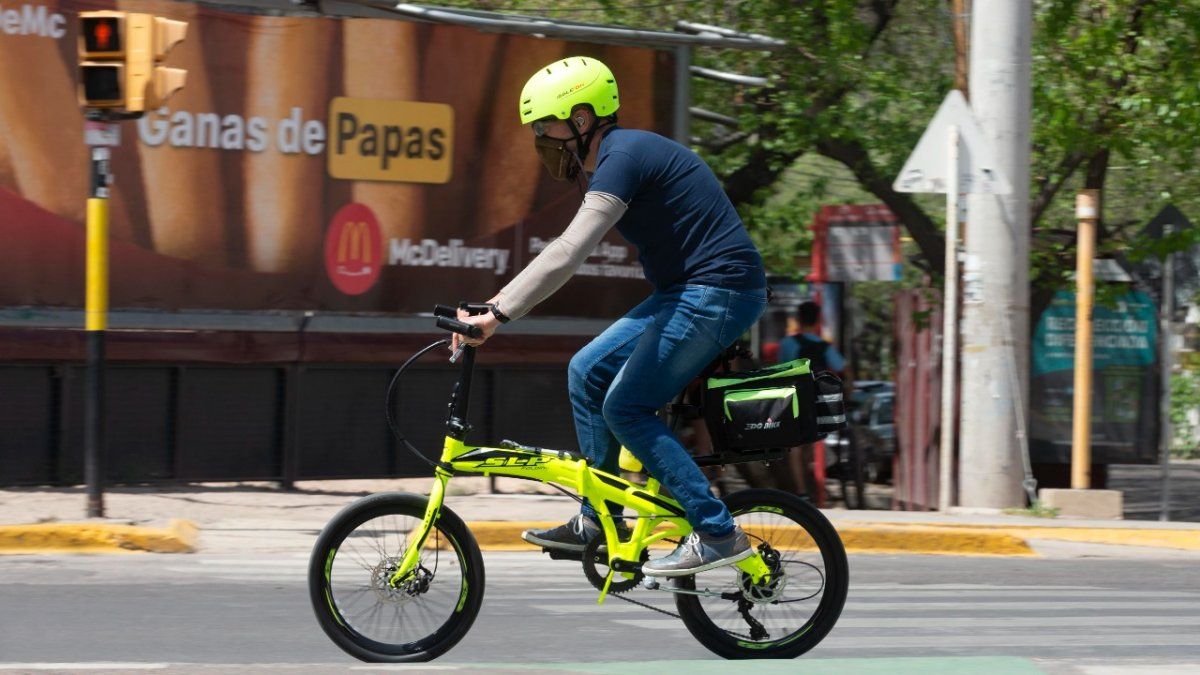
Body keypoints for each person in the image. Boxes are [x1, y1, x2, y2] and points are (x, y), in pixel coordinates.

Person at [449, 56, 768, 577]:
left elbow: (570, 250)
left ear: (581, 119)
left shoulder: (624, 154)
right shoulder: (614, 159)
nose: (541, 140)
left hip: (720, 291)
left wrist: (498, 311)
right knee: (587, 370)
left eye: (546, 127)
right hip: (686, 293)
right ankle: (599, 519)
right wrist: (495, 306)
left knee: (627, 406)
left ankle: (716, 532)